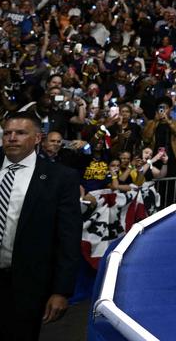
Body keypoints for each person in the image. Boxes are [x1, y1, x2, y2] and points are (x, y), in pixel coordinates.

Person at [0, 114, 80, 340]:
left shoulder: (60, 178)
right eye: (7, 133)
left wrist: (61, 291)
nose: (12, 138)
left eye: (20, 133)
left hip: (25, 286)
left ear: (37, 138)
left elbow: (68, 237)